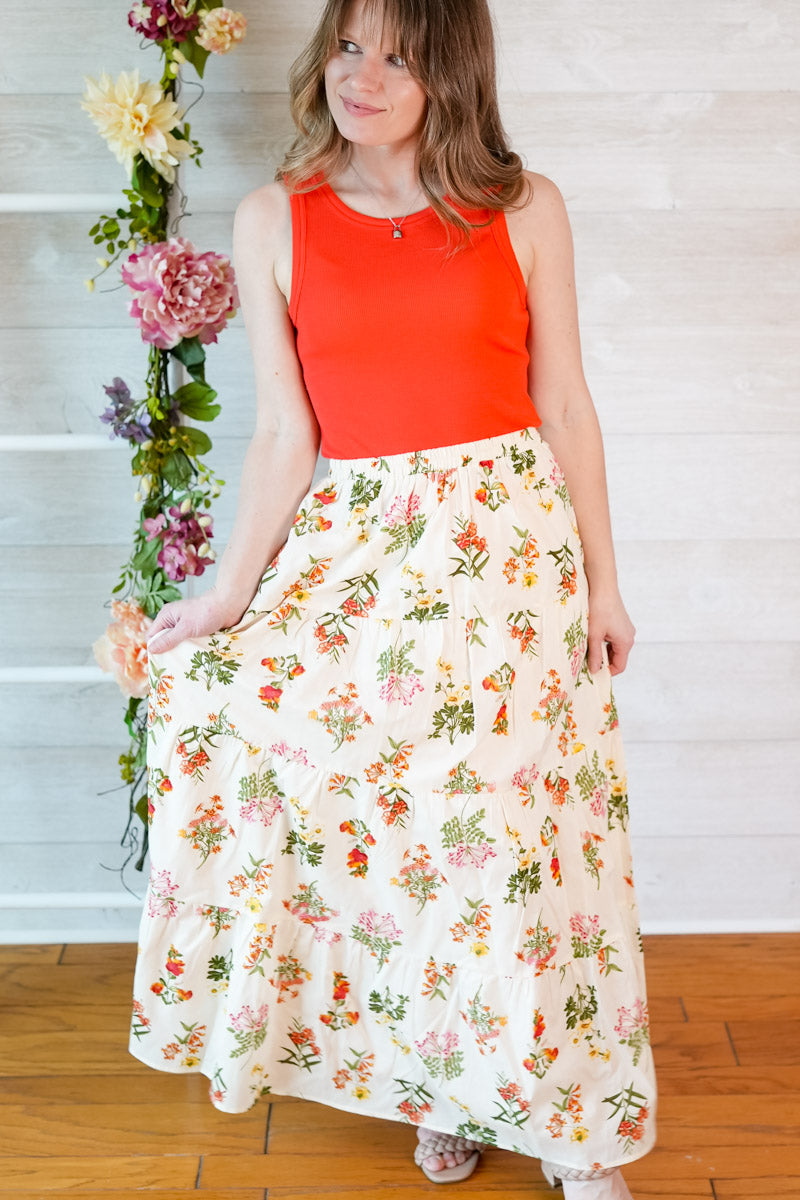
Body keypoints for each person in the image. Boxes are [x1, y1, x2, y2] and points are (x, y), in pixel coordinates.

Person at [133, 0, 658, 1194]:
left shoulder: (523, 209)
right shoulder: (274, 219)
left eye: (400, 56)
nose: (362, 74)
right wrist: (224, 596)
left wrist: (606, 584)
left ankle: (570, 1136)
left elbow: (564, 403)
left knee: (506, 840)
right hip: (363, 549)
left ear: (450, 74)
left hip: (509, 555)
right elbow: (281, 434)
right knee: (402, 839)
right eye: (351, 46)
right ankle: (440, 1078)